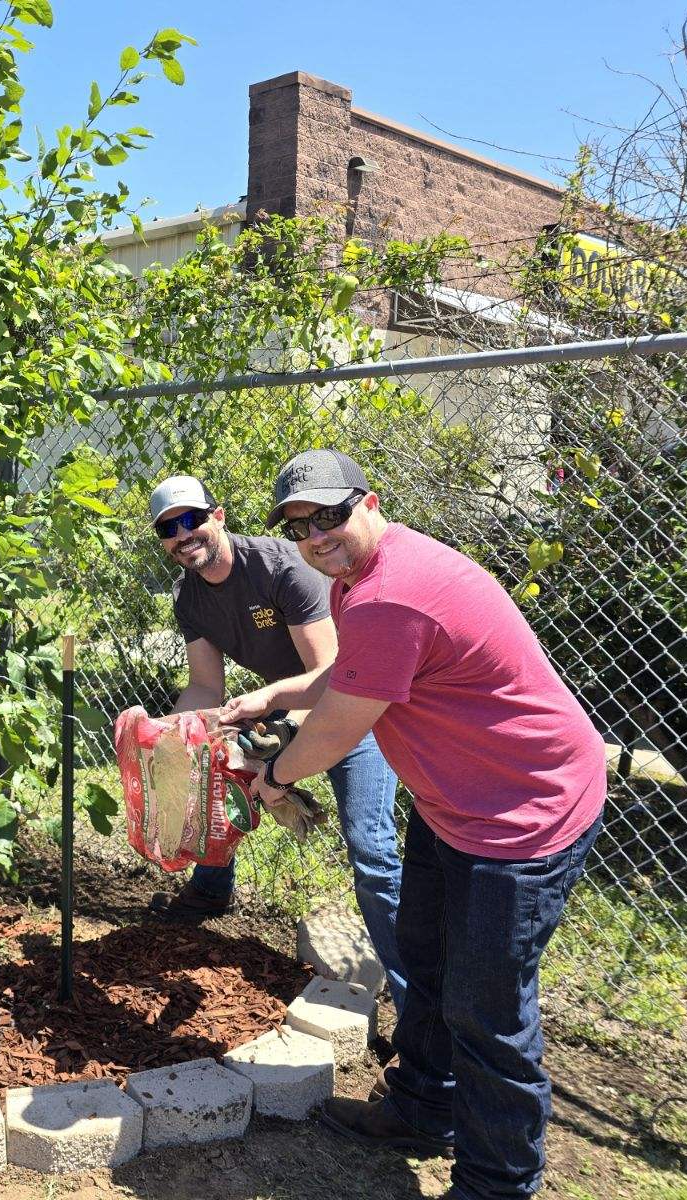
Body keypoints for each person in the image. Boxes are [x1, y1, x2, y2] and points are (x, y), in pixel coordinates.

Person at [240, 449, 605, 1200]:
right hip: (458, 808)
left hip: (522, 818)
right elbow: (353, 675)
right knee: (427, 963)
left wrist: (272, 778)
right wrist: (273, 696)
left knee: (488, 1009)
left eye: (330, 515)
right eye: (299, 524)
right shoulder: (362, 578)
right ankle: (423, 1108)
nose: (315, 534)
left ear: (370, 502)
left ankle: (498, 1183)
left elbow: (339, 727)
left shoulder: (389, 593)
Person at [146, 474, 407, 1015]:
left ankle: (417, 1008)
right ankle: (212, 887)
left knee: (371, 850)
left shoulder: (280, 566)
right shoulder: (191, 596)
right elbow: (204, 689)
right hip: (275, 706)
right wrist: (169, 738)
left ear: (218, 514)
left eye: (192, 519)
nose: (183, 534)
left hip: (353, 707)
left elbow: (330, 675)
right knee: (206, 755)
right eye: (169, 529)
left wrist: (280, 757)